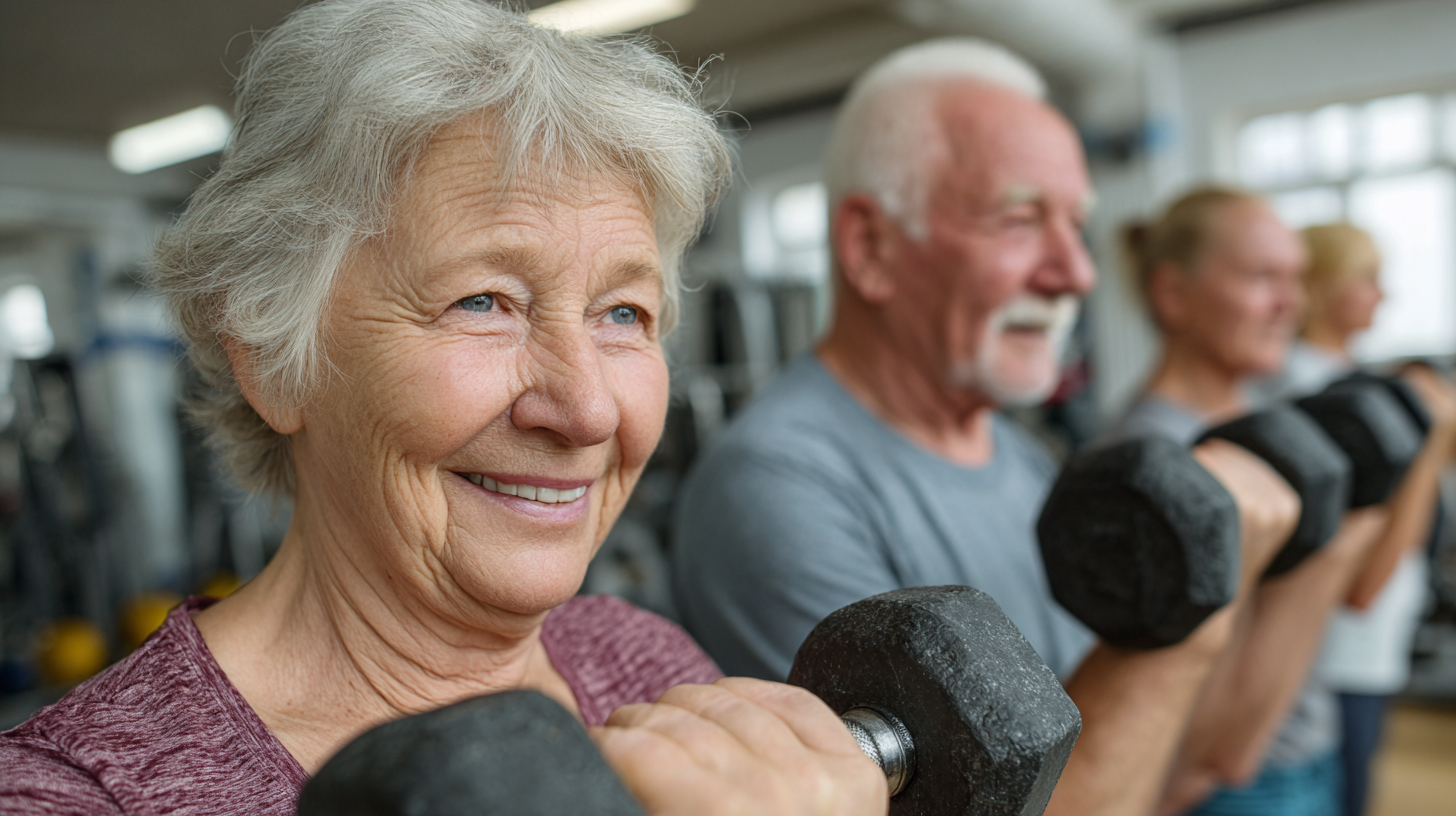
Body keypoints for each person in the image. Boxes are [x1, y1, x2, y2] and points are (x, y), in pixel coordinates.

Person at [0, 3, 888, 814]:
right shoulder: (76, 796)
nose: (583, 409)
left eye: (623, 314)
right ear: (271, 358)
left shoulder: (637, 659)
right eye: (483, 302)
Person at [673, 40, 1303, 816]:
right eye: (1020, 219)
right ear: (872, 248)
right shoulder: (776, 488)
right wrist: (1186, 628)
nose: (1076, 273)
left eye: (1076, 225)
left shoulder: (1024, 456)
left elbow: (1179, 761)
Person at [1107, 191, 1438, 816]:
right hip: (1239, 784)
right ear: (1172, 293)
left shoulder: (1266, 427)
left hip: (1306, 747)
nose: (1291, 303)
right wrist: (1346, 530)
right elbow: (1211, 739)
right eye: (1263, 278)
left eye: (1295, 279)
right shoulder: (1157, 458)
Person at [1256, 223, 1456, 816]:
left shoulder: (1363, 380)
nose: (1382, 296)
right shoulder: (1300, 387)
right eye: (1365, 280)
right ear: (1321, 286)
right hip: (1338, 649)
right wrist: (1430, 441)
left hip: (1375, 645)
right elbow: (1360, 576)